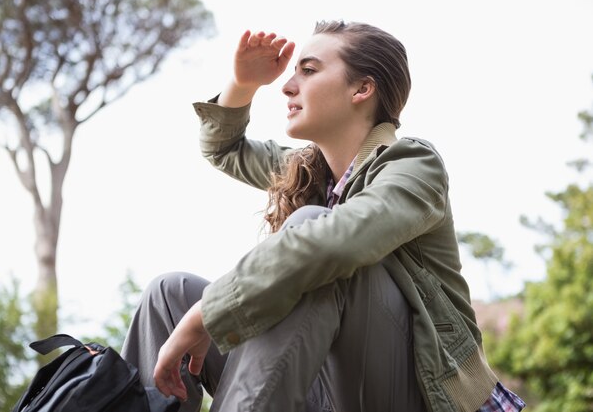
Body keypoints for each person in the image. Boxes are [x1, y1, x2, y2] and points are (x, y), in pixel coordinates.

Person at [122, 20, 526, 412]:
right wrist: (244, 84)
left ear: (362, 89)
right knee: (169, 293)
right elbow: (224, 149)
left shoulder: (413, 164)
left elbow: (340, 241)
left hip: (419, 391)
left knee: (314, 236)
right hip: (319, 384)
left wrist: (208, 312)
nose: (288, 86)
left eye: (309, 71)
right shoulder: (307, 171)